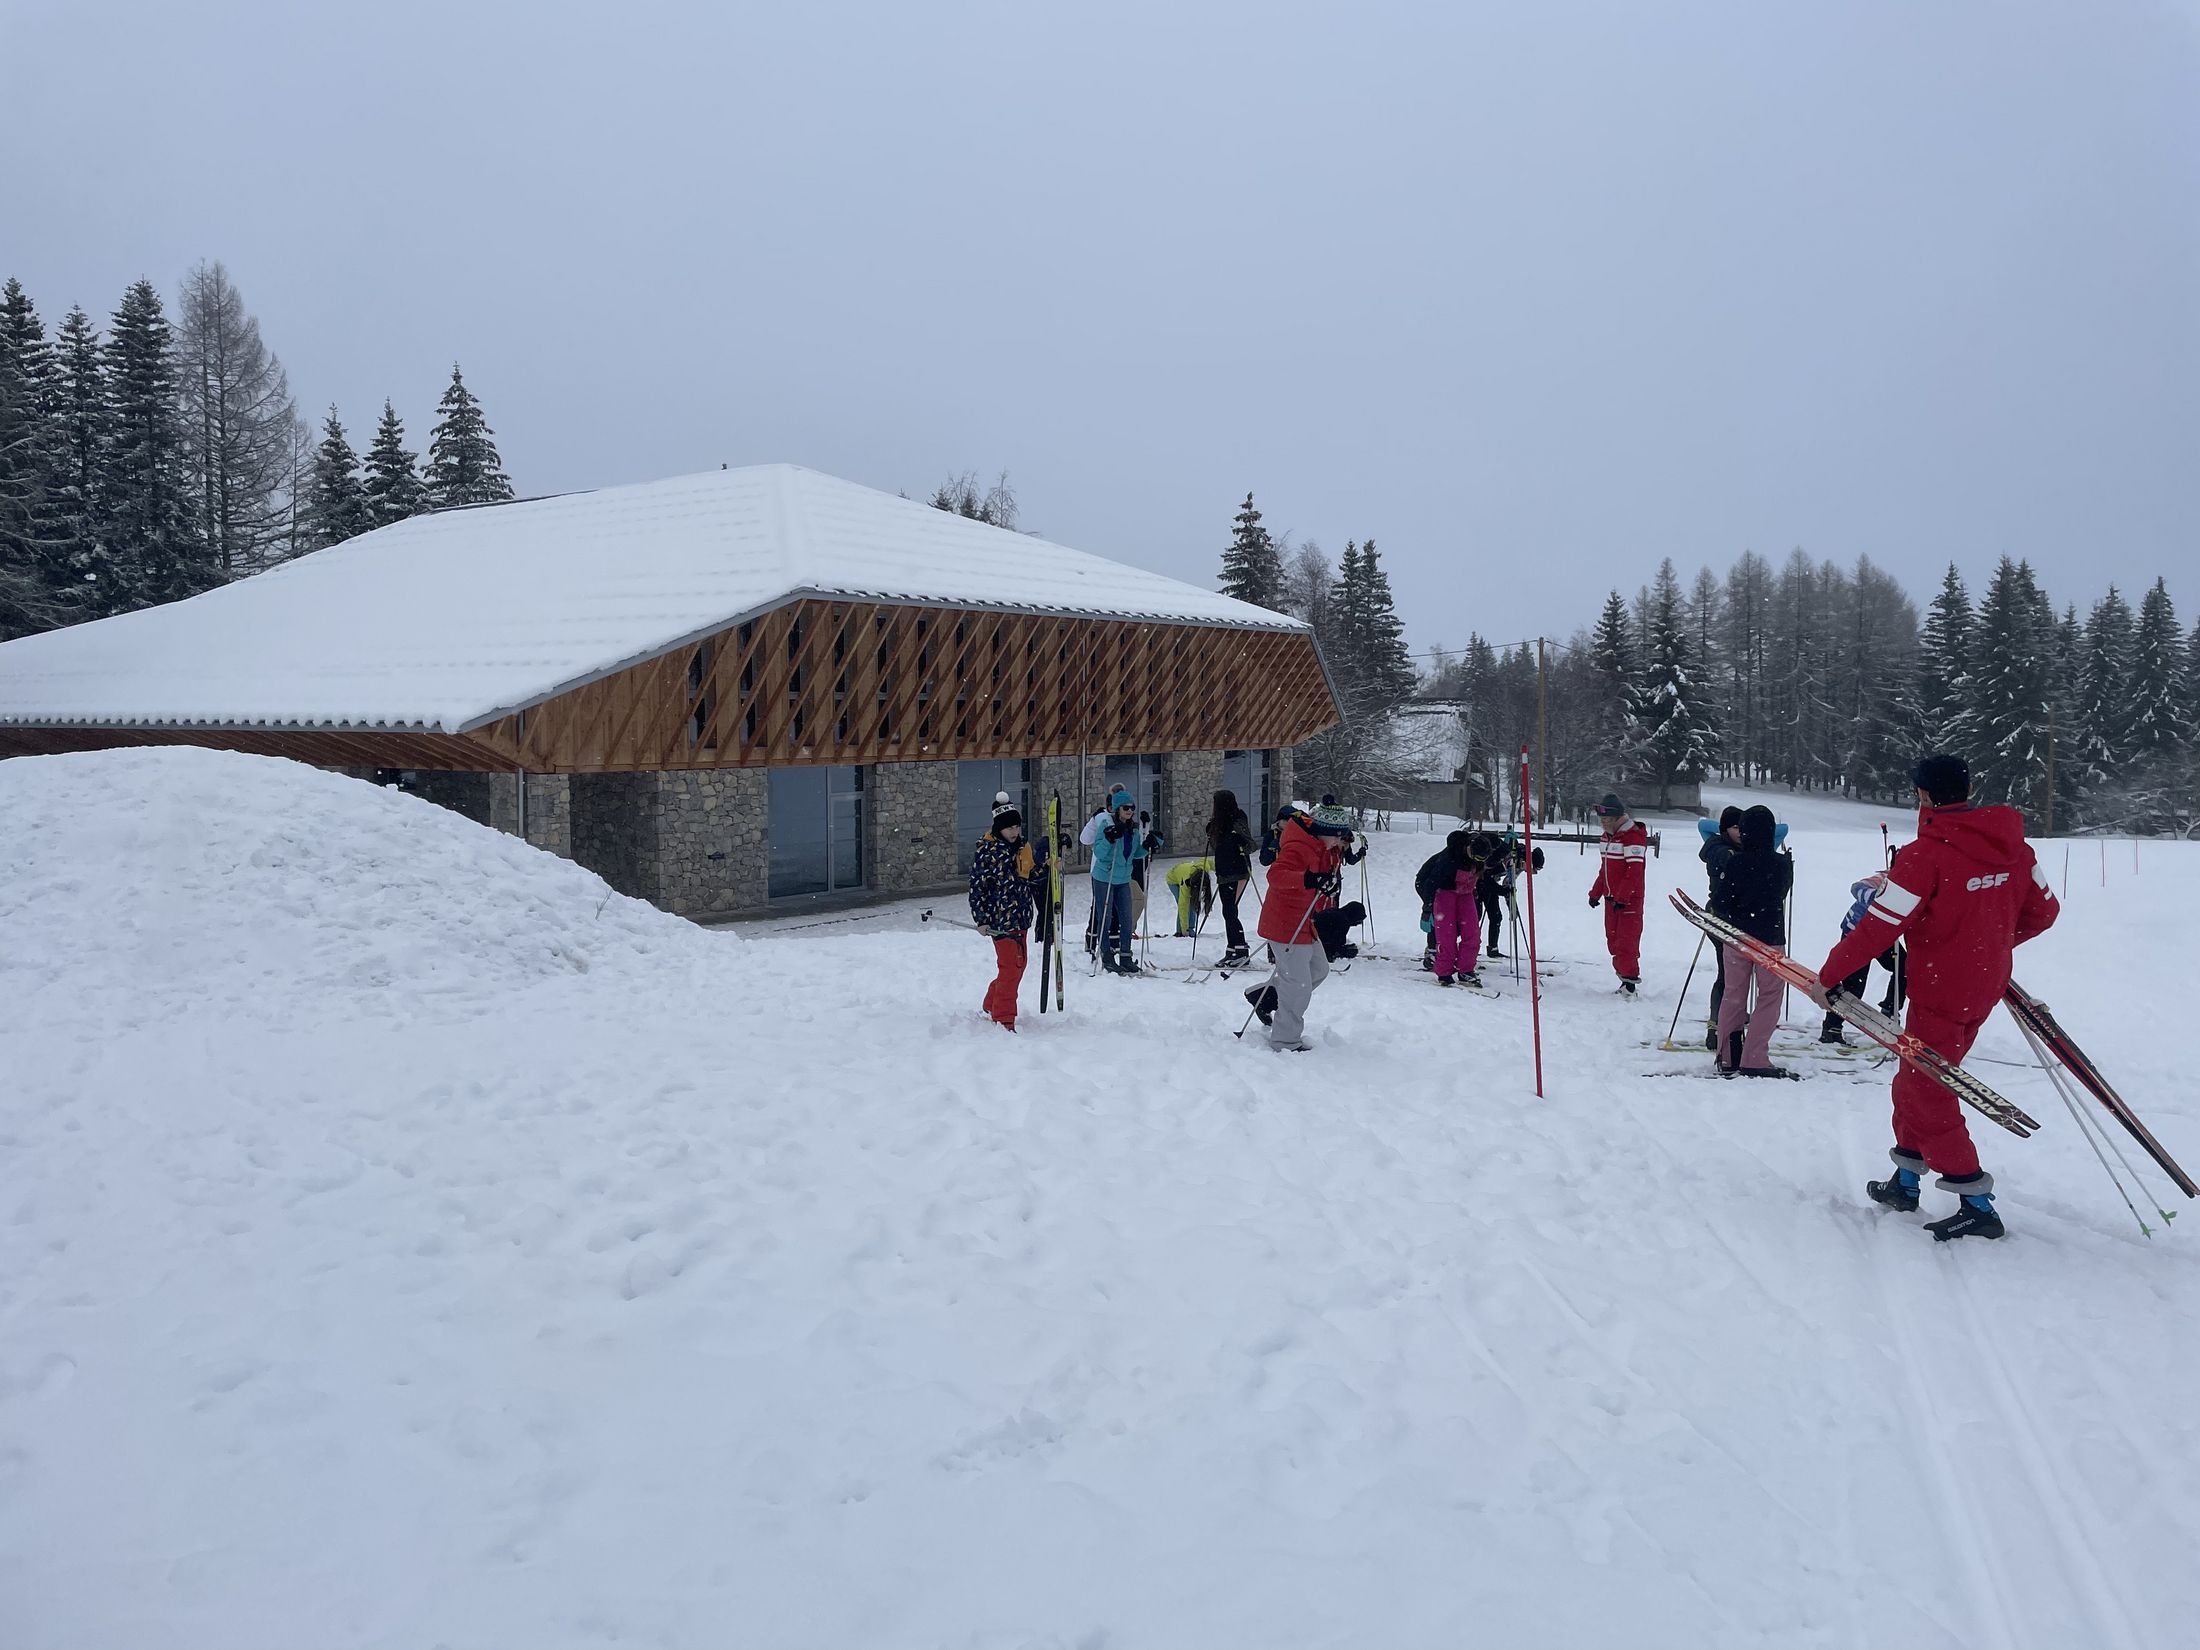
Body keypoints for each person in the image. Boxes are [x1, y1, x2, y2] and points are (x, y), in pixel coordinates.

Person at [1808, 753, 2059, 1241]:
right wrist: (1989, 945)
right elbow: (2044, 911)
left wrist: (1831, 975)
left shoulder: (1924, 856)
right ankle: (1905, 1180)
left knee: (1926, 1088)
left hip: (1943, 991)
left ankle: (1975, 1199)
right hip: (1984, 984)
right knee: (1914, 1077)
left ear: (1922, 795)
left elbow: (1880, 925)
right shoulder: (2016, 849)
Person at [1244, 800, 1337, 1051]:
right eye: (1337, 837)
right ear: (1325, 831)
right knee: (1297, 986)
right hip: (1286, 925)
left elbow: (1318, 879)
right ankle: (1285, 1040)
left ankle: (1263, 996)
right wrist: (1308, 879)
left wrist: (1326, 884)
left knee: (1318, 970)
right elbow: (1275, 875)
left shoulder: (1320, 846)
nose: (1338, 843)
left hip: (1303, 922)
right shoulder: (1298, 846)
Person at [1709, 804, 1794, 1076]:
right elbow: (1781, 893)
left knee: (1734, 994)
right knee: (1769, 996)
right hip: (1770, 937)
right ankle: (1754, 1056)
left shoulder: (1735, 861)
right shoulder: (1781, 864)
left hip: (1736, 936)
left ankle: (1728, 1055)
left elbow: (1721, 900)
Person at [966, 795, 1049, 1030]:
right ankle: (1004, 1018)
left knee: (1017, 966)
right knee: (1011, 968)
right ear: (998, 828)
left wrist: (1048, 868)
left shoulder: (1023, 848)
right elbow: (977, 888)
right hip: (999, 919)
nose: (1013, 832)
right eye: (1008, 827)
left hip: (1021, 916)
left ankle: (992, 1001)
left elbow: (1031, 876)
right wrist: (981, 919)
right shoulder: (988, 851)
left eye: (1016, 826)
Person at [1821, 872, 1902, 1045]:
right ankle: (1832, 1027)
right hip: (1857, 934)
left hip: (1885, 937)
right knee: (1854, 984)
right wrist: (1878, 898)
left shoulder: (1916, 885)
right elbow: (1857, 887)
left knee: (1905, 968)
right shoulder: (1885, 878)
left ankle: (1889, 1010)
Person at [1587, 793, 1649, 994]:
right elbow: (1604, 868)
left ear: (1617, 819)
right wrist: (1595, 892)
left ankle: (1630, 982)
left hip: (1628, 901)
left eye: (1606, 820)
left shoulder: (1632, 837)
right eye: (1601, 820)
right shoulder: (1607, 837)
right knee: (1613, 940)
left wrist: (1622, 897)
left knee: (1626, 942)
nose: (1603, 824)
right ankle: (1623, 979)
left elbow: (1634, 872)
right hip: (1610, 899)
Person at [1415, 830, 1488, 988]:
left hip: (1466, 893)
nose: (1476, 862)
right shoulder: (1448, 859)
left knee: (1472, 933)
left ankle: (1466, 970)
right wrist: (1427, 908)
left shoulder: (1481, 852)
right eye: (1474, 858)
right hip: (1444, 893)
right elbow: (1430, 882)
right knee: (1447, 935)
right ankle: (1444, 971)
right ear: (1468, 848)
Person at [1082, 786, 1143, 974]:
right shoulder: (1106, 826)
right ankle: (1106, 955)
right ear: (1117, 809)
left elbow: (1134, 853)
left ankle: (1126, 956)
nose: (1129, 811)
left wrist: (1149, 846)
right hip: (1104, 877)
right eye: (1125, 808)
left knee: (1126, 918)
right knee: (1105, 918)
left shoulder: (1133, 830)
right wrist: (1109, 838)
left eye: (1132, 807)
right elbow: (1099, 853)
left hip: (1123, 878)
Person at [1697, 806, 1744, 1045]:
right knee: (1727, 974)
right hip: (1721, 918)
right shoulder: (1719, 849)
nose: (1740, 832)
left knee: (1736, 975)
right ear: (1725, 829)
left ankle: (1733, 1017)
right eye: (1735, 827)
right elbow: (1723, 860)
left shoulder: (1739, 848)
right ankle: (1716, 1027)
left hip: (1740, 919)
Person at [1205, 789, 1257, 966]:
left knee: (1230, 910)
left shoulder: (1237, 819)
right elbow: (1216, 847)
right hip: (1224, 871)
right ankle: (1232, 949)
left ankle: (1241, 950)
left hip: (1239, 871)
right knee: (1228, 911)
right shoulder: (1218, 823)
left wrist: (1239, 841)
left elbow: (1250, 845)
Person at [1476, 828, 1544, 960]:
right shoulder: (1511, 857)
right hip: (1477, 883)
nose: (1531, 873)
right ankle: (1459, 948)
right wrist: (1502, 891)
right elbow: (1486, 874)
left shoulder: (1520, 865)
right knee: (1475, 917)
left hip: (1491, 885)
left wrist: (1512, 907)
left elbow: (1508, 884)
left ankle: (1493, 949)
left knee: (1496, 917)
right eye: (1533, 869)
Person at [1166, 856, 1215, 937]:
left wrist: (1221, 871)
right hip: (1173, 879)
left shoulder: (1204, 869)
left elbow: (1206, 861)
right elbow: (1183, 906)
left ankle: (1191, 927)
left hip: (1184, 871)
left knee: (1193, 902)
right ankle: (1180, 931)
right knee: (1185, 903)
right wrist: (1185, 930)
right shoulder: (1186, 884)